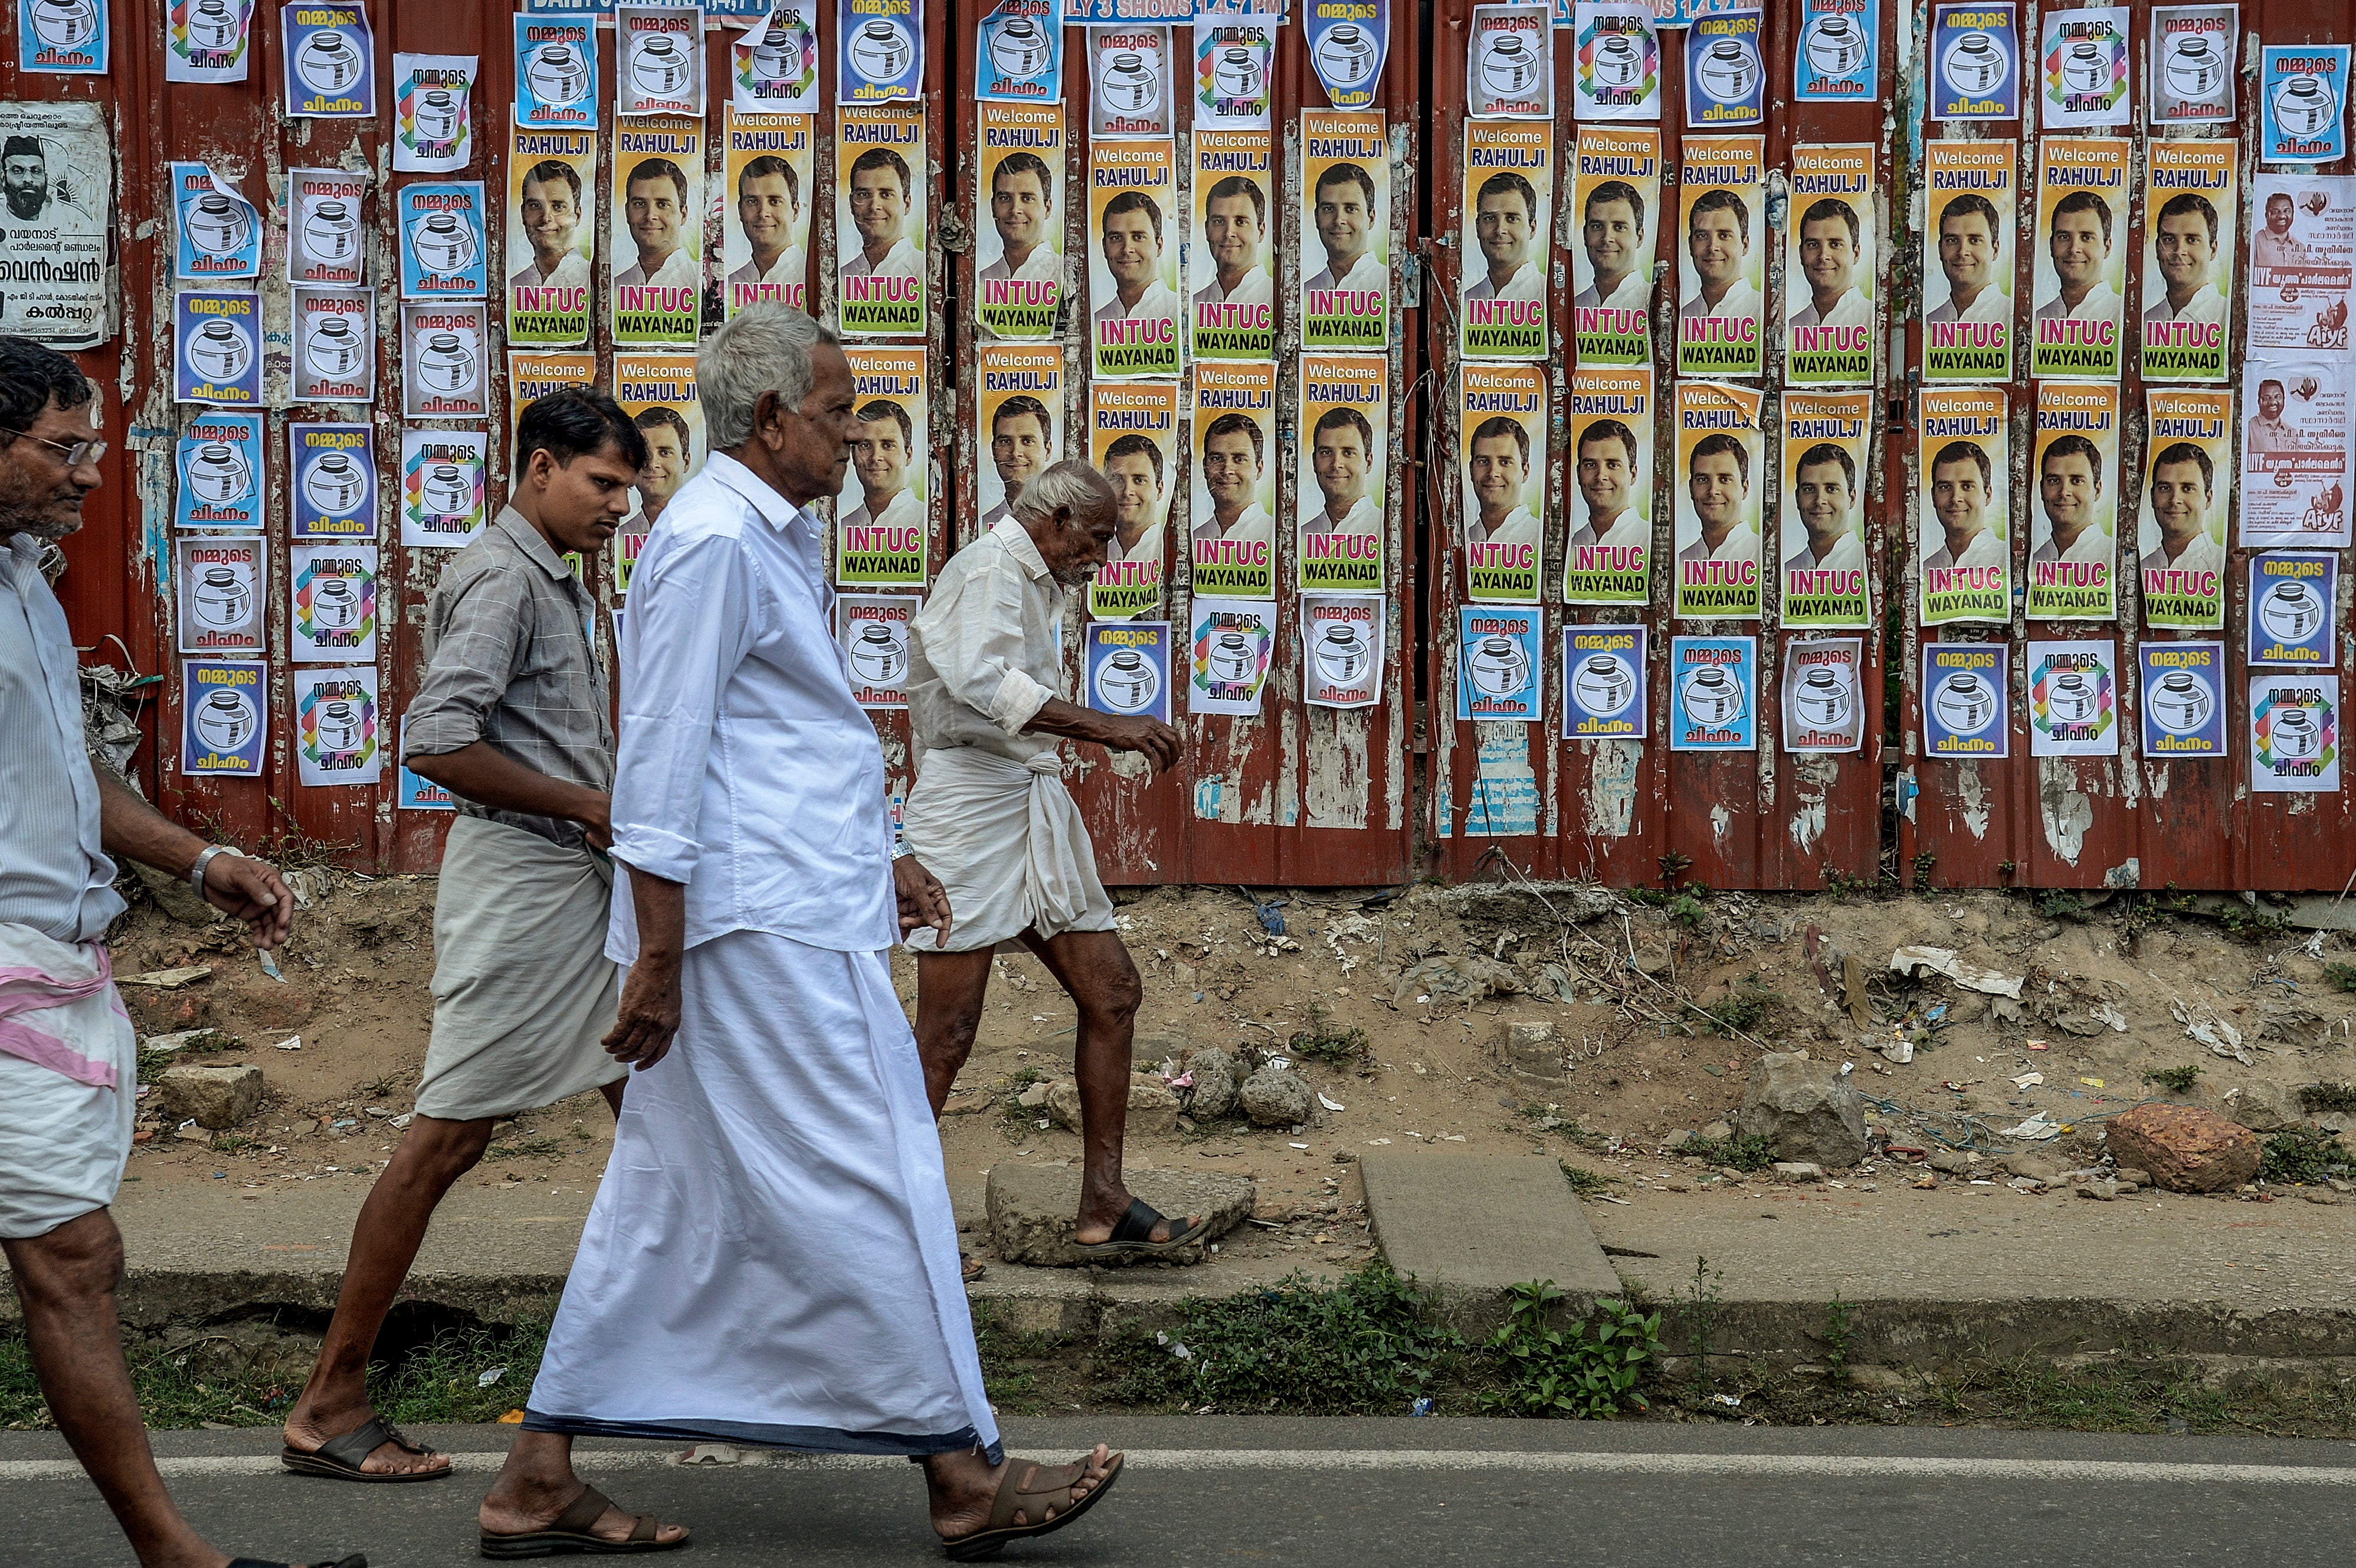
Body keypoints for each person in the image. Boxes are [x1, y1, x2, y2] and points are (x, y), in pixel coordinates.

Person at [481, 304, 1123, 1559]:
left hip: (785, 907)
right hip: (744, 935)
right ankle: (957, 1470)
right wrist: (657, 958)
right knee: (875, 1174)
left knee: (668, 1196)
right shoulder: (717, 541)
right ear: (770, 422)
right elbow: (663, 760)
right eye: (835, 414)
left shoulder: (756, 536)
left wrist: (874, 857)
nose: (852, 433)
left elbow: (770, 742)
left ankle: (536, 1472)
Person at [0, 336, 360, 1568]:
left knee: (71, 1256)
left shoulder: (30, 586)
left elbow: (71, 771)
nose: (90, 474)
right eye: (62, 448)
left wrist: (199, 860)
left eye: (88, 447)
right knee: (72, 1258)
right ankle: (173, 1554)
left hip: (52, 968)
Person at [281, 390, 648, 1489]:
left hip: (572, 883)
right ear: (539, 468)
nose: (617, 508)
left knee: (665, 1107)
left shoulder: (554, 576)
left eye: (629, 490)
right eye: (601, 484)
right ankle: (330, 1397)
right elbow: (436, 739)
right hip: (523, 883)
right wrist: (587, 806)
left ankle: (704, 1366)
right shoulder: (503, 575)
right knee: (446, 1140)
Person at [900, 460, 1201, 1263]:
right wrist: (1110, 727)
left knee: (1113, 992)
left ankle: (1103, 1198)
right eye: (1097, 537)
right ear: (1059, 517)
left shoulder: (1034, 578)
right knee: (947, 1032)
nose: (1102, 556)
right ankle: (890, 1225)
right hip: (965, 806)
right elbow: (980, 686)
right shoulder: (988, 568)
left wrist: (1099, 731)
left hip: (1026, 797)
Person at [1093, 191, 1178, 329]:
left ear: (1159, 245)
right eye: (1116, 238)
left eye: (1138, 237)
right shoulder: (1096, 323)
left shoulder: (1180, 314)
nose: (1127, 249)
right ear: (1104, 247)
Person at [725, 155, 804, 301]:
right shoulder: (728, 287)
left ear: (795, 211)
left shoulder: (811, 279)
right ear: (740, 211)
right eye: (753, 201)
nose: (763, 213)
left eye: (775, 201)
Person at [2141, 443, 2224, 581]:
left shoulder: (2221, 566)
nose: (2175, 500)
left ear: (2208, 499)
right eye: (2165, 488)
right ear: (2152, 497)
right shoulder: (2142, 568)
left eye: (2187, 488)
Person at [837, 398, 920, 534]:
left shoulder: (925, 523)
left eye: (888, 445)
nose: (876, 457)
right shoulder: (842, 529)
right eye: (866, 445)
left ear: (909, 455)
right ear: (853, 454)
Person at [979, 151, 1057, 293]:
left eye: (1027, 198)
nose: (1015, 210)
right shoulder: (980, 282)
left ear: (1047, 208)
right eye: (1005, 198)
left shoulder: (1064, 277)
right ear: (993, 207)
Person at [2035, 190, 2117, 323]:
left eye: (2087, 238)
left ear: (2107, 247)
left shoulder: (2122, 316)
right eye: (2064, 237)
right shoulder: (2037, 321)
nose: (2074, 249)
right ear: (2051, 246)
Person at [508, 159, 590, 293]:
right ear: (523, 213)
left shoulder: (593, 281)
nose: (546, 218)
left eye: (558, 207)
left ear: (577, 216)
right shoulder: (512, 288)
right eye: (535, 206)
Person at [1679, 187, 1758, 323]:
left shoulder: (1761, 312)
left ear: (1744, 245)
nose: (1712, 247)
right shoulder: (1682, 317)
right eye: (1702, 236)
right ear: (1691, 246)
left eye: (1724, 235)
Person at [1193, 174, 1271, 312]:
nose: (1229, 233)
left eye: (1241, 222)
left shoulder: (1276, 300)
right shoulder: (1194, 306)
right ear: (1207, 230)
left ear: (1261, 231)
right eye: (1219, 222)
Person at [1191, 411, 1271, 546]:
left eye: (1239, 459)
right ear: (1205, 467)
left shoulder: (1273, 535)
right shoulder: (1194, 539)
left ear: (1259, 469)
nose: (1227, 470)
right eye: (1217, 459)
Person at [1568, 420, 1649, 552]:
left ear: (1633, 475)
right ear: (1578, 474)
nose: (1600, 476)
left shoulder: (1648, 540)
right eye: (1590, 465)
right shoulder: (1573, 544)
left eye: (1613, 465)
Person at [1925, 192, 2005, 326]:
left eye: (1975, 240)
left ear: (1995, 250)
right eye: (1952, 240)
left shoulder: (2012, 318)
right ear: (1940, 249)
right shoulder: (1929, 324)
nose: (1962, 252)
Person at [615, 158, 695, 290]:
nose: (650, 216)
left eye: (663, 205)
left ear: (683, 215)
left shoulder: (701, 284)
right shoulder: (615, 287)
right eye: (640, 204)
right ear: (627, 213)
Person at [1676, 433, 1755, 566]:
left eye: (1725, 479)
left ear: (1745, 489)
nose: (1713, 491)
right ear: (1691, 488)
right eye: (1703, 480)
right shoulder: (1680, 564)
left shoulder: (1761, 558)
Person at [843, 146, 920, 281]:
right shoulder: (842, 276)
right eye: (864, 194)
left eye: (886, 194)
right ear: (851, 203)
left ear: (907, 204)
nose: (874, 206)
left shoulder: (924, 272)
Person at [1923, 440, 2003, 570]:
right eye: (1945, 487)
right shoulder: (1926, 570)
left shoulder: (2006, 560)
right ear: (1933, 496)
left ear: (1987, 495)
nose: (1955, 498)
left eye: (1967, 486)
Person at [1788, 198, 1868, 329]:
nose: (1823, 256)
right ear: (1801, 254)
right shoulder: (1791, 329)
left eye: (1835, 244)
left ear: (1856, 253)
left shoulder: (1872, 321)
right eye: (1813, 245)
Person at [1466, 171, 1544, 303]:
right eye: (1490, 218)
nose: (1500, 230)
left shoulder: (1549, 298)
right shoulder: (1464, 302)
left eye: (1512, 219)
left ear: (1532, 228)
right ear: (1478, 227)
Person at [2148, 191, 2224, 326]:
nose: (2179, 251)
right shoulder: (2145, 322)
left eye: (2192, 240)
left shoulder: (2227, 317)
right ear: (2157, 248)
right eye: (2169, 239)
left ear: (2213, 249)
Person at [1306, 164, 1384, 293]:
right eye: (1329, 209)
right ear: (1317, 218)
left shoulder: (1388, 287)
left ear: (1371, 219)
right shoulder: (1304, 294)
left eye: (1351, 209)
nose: (1338, 220)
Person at [2031, 434, 2108, 566]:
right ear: (2042, 490)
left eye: (2077, 481)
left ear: (2097, 490)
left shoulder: (2112, 559)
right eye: (2054, 481)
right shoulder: (2033, 563)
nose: (2064, 492)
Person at [1785, 444, 1863, 573]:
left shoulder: (1868, 567)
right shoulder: (1786, 573)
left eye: (1832, 489)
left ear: (1852, 498)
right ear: (1797, 498)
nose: (1820, 500)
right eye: (1809, 489)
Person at [979, 394, 1052, 532]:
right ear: (994, 451)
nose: (1015, 452)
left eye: (1027, 441)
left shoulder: (1067, 524)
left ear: (1047, 450)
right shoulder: (982, 526)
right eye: (1006, 442)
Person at [1465, 416, 1538, 550]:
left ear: (1525, 472)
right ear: (1471, 470)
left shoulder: (1539, 539)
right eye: (1483, 461)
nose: (1493, 473)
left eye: (1505, 462)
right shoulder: (1462, 538)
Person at [1305, 405, 1378, 540]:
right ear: (1314, 461)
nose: (1336, 464)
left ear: (1368, 462)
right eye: (1326, 453)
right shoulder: (1302, 536)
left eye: (1348, 453)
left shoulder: (1383, 530)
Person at [1572, 181, 1649, 310]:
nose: (1607, 238)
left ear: (1639, 237)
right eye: (1597, 227)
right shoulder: (1572, 308)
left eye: (1619, 227)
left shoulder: (1655, 307)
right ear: (1585, 235)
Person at [1100, 432, 1165, 568]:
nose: (1127, 491)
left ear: (1159, 490)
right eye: (1117, 480)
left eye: (1139, 480)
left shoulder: (1171, 553)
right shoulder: (1094, 554)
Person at [624, 406, 692, 533]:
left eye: (665, 452)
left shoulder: (708, 532)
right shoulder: (617, 537)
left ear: (686, 462)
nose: (652, 464)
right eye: (644, 453)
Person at [2250, 189, 2306, 270]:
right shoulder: (2255, 242)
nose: (2282, 216)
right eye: (2276, 212)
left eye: (2287, 211)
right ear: (2267, 215)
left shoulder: (2300, 248)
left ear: (2293, 214)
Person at [2246, 378, 2298, 456]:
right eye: (2267, 398)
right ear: (2259, 402)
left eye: (2277, 397)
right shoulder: (2249, 428)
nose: (2273, 402)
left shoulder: (2293, 433)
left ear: (2284, 400)